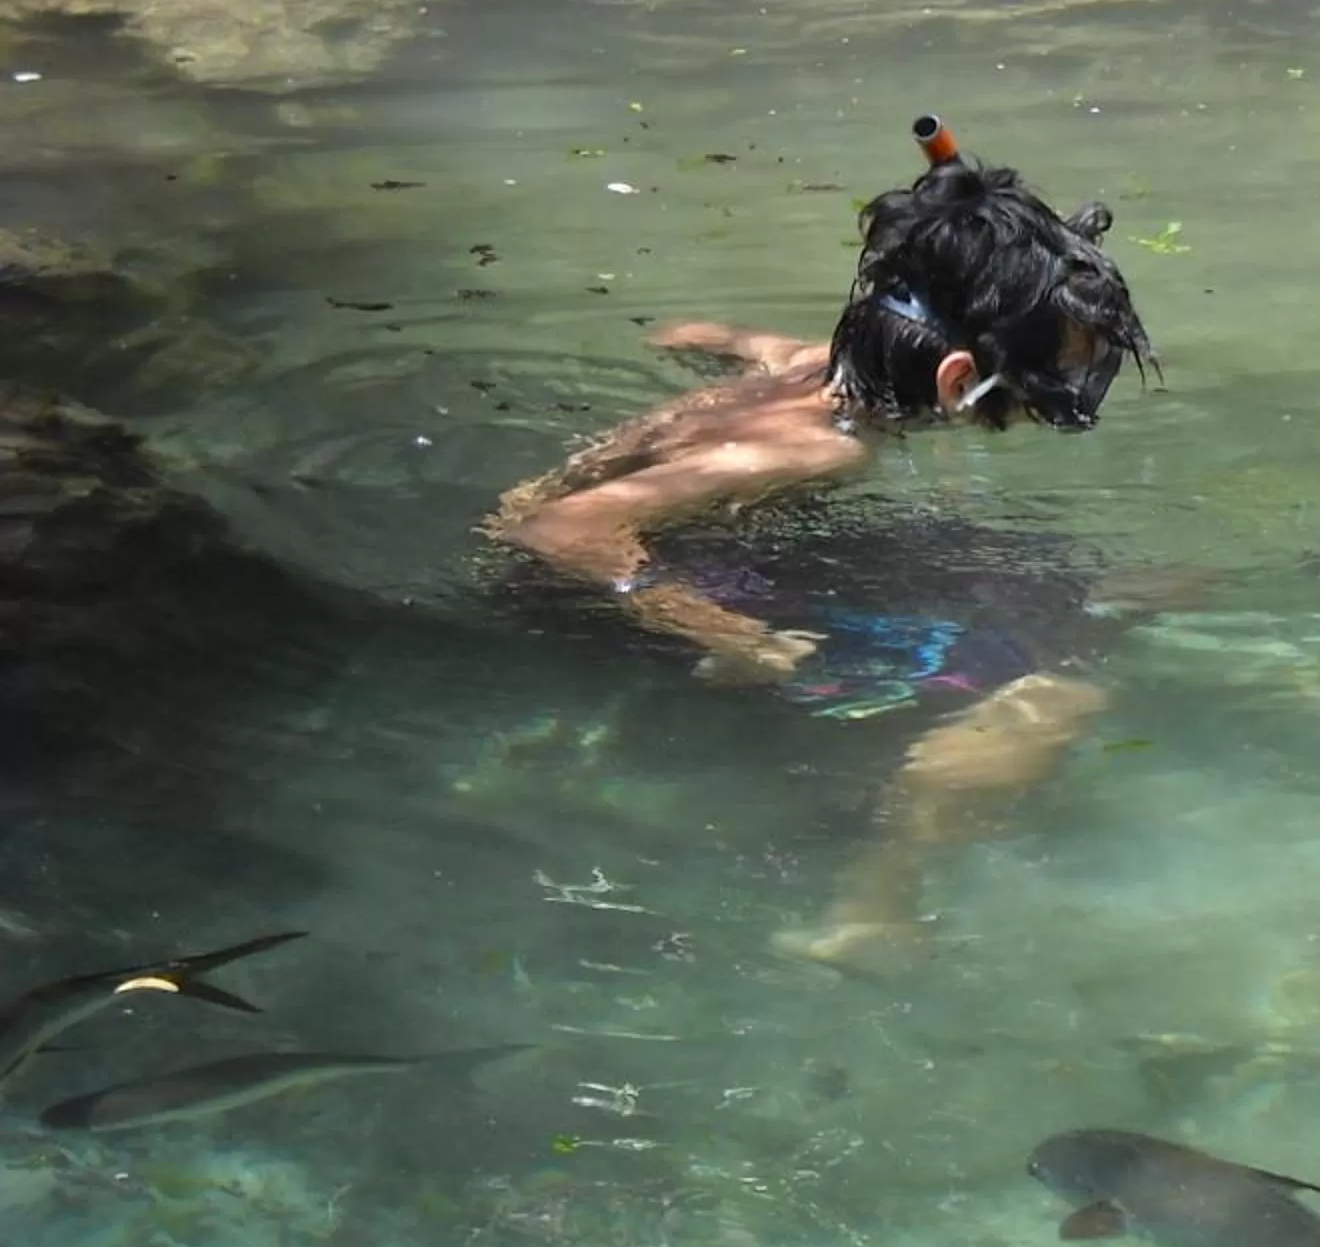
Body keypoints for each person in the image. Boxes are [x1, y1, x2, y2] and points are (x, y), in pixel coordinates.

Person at [483, 116, 1161, 974]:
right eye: (1056, 381)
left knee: (1070, 583)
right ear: (958, 379)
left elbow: (703, 337)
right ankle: (865, 914)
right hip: (582, 598)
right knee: (1058, 680)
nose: (1064, 399)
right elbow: (554, 528)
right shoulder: (819, 449)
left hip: (709, 546)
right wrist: (732, 638)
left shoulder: (816, 365)